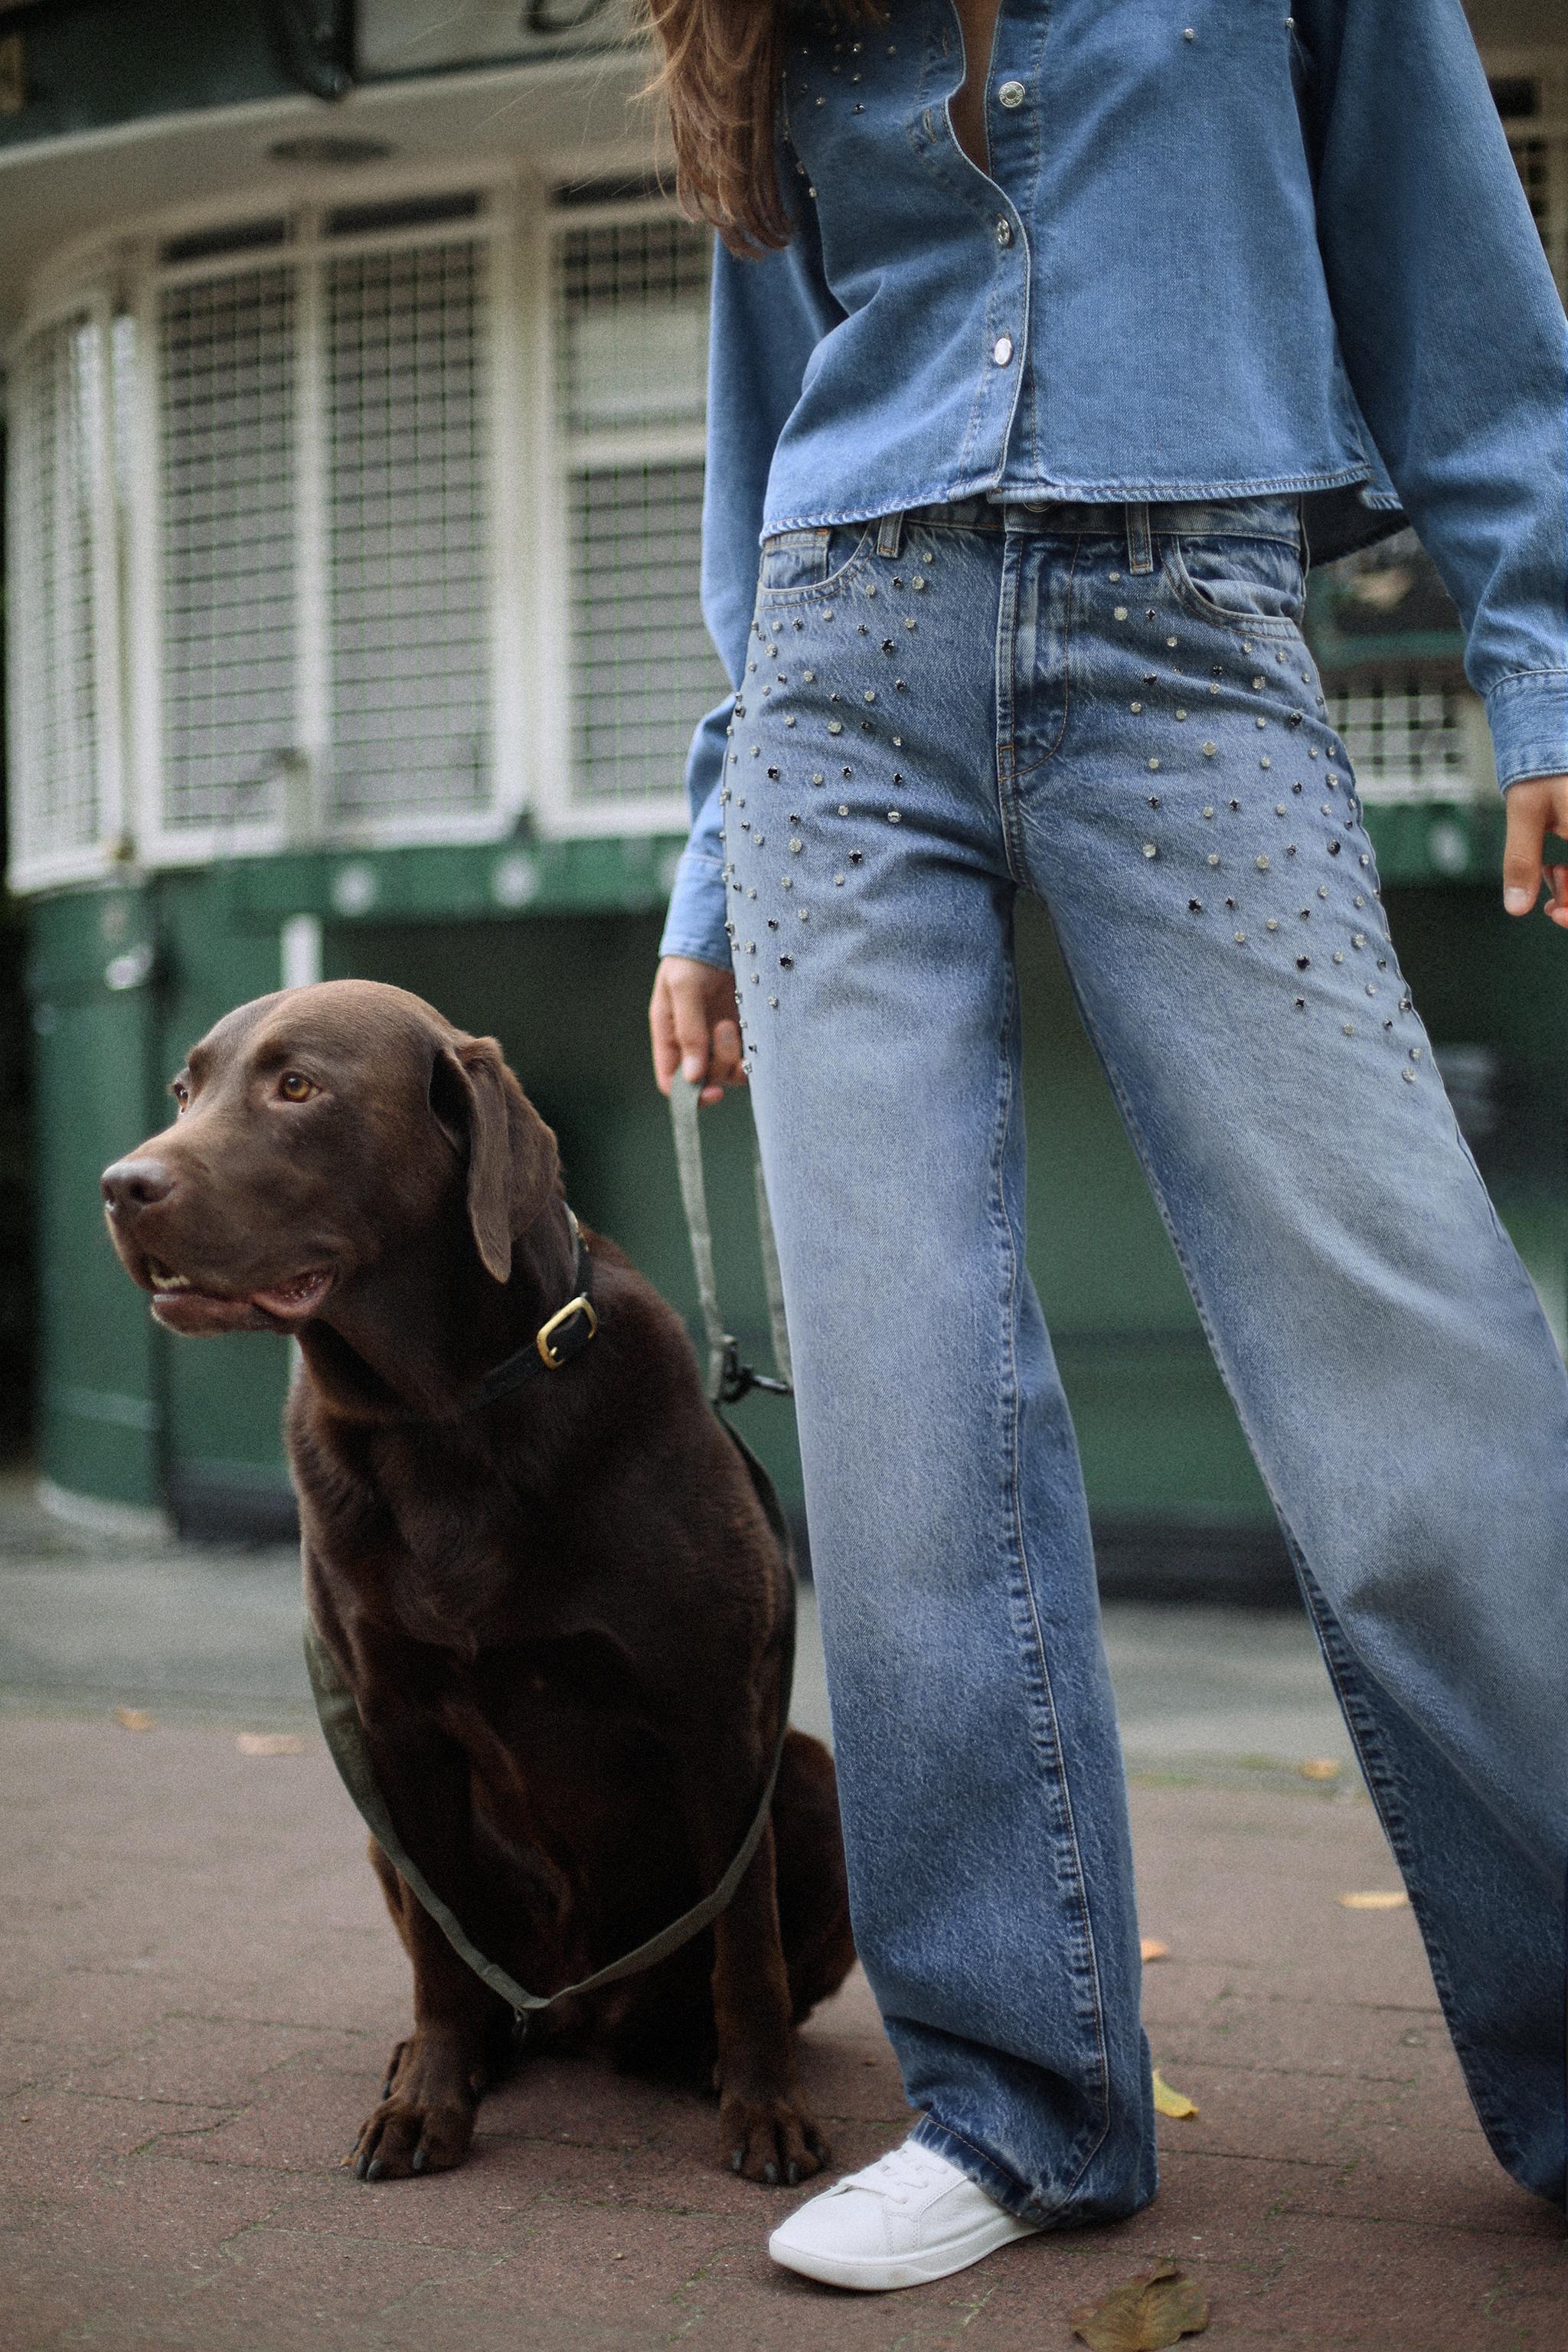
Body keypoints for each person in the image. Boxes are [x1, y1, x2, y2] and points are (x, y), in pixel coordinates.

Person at [645, 0, 1568, 2295]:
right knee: (903, 1404)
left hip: (1189, 636)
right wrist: (706, 871)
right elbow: (763, 439)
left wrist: (1545, 656)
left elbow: (1468, 302)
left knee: (1416, 1379)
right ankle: (1015, 2103)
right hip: (839, 698)